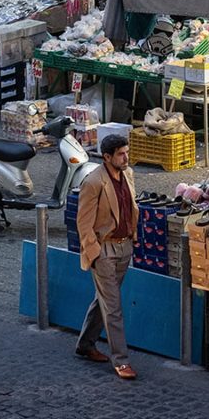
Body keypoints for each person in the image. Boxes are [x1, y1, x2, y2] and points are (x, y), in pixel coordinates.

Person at [74, 134, 139, 380]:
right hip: (104, 249)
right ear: (107, 157)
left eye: (127, 152)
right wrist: (94, 252)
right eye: (121, 154)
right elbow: (84, 223)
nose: (126, 157)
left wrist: (133, 235)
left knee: (104, 299)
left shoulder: (128, 174)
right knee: (113, 307)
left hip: (124, 247)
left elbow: (130, 207)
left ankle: (85, 344)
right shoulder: (93, 182)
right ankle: (121, 361)